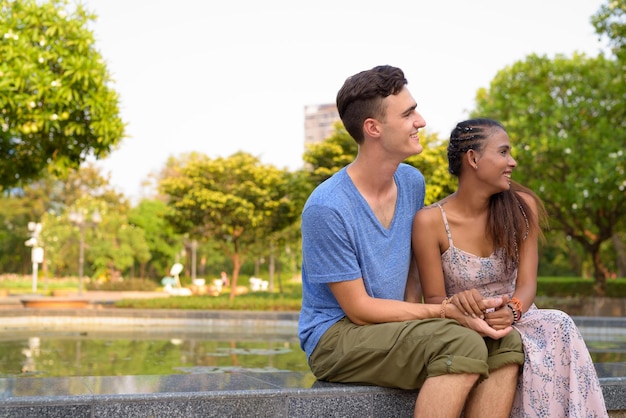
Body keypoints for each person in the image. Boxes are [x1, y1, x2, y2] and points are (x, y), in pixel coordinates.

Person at [298, 66, 525, 418]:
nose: (420, 121)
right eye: (407, 113)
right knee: (459, 340)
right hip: (336, 336)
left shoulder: (411, 182)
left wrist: (435, 322)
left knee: (504, 340)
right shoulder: (327, 207)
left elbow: (412, 274)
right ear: (373, 128)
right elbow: (358, 309)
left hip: (392, 325)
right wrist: (443, 313)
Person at [411, 118, 608, 417]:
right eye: (503, 152)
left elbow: (527, 284)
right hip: (463, 327)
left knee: (559, 322)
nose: (512, 162)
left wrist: (513, 311)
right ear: (473, 159)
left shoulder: (522, 206)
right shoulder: (429, 222)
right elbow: (436, 300)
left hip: (518, 319)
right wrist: (460, 306)